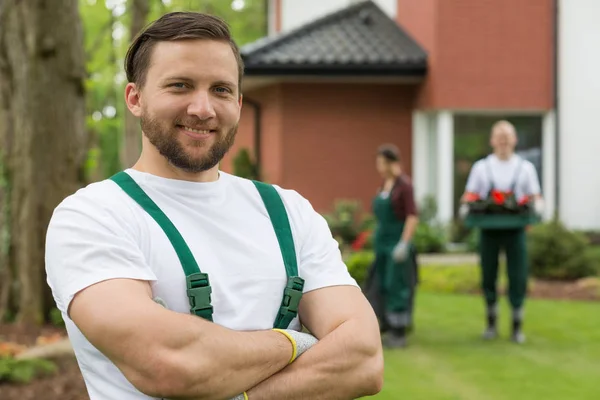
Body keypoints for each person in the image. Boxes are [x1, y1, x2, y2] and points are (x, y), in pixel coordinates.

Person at [45, 12, 383, 400]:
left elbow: (364, 359)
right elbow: (169, 364)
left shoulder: (289, 213)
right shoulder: (94, 216)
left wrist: (238, 390)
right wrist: (297, 342)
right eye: (180, 86)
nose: (202, 108)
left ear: (239, 102)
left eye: (221, 90)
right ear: (135, 98)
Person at [460, 120, 543, 344]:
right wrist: (468, 206)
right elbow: (469, 195)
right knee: (488, 273)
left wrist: (535, 208)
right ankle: (491, 322)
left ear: (515, 140)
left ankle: (517, 325)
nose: (504, 140)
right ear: (492, 141)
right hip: (489, 229)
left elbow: (535, 196)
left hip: (515, 230)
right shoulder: (482, 167)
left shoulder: (525, 168)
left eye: (507, 136)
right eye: (499, 136)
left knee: (518, 275)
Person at [366, 144, 419, 348]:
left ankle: (399, 331)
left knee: (397, 286)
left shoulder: (404, 186)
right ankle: (385, 324)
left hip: (396, 244)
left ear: (390, 163)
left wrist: (404, 243)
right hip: (382, 245)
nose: (379, 166)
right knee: (379, 284)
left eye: (381, 162)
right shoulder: (384, 185)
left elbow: (412, 216)